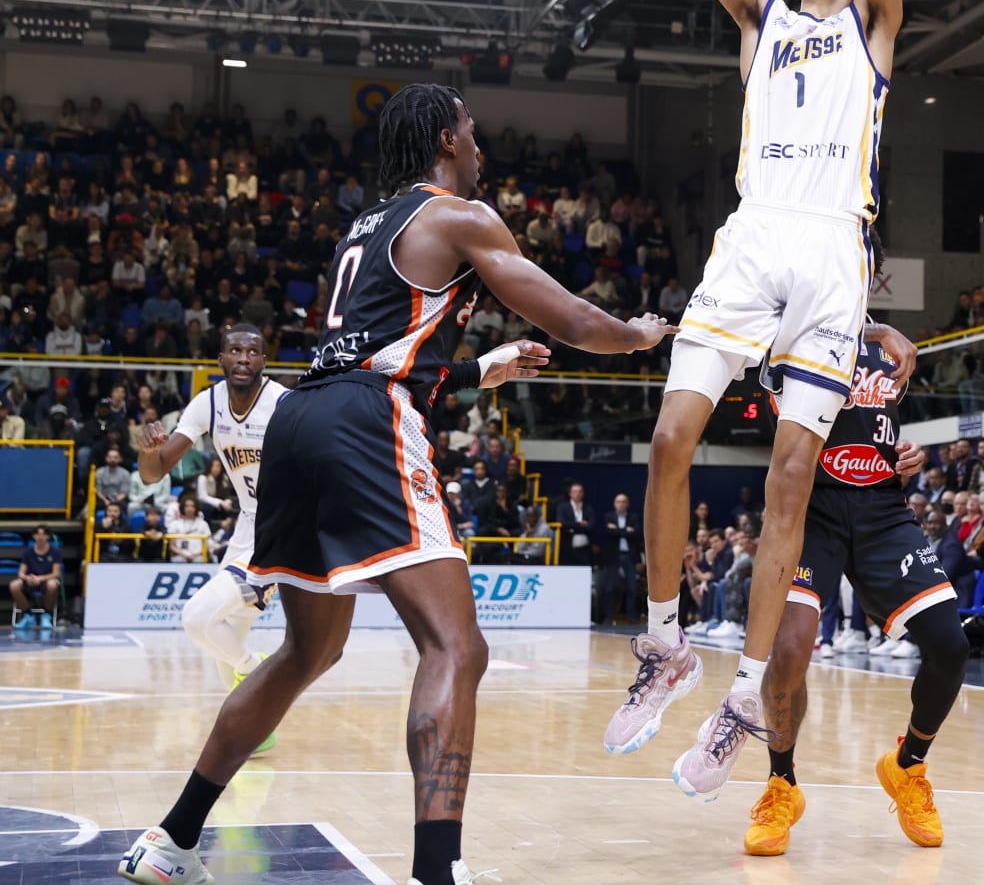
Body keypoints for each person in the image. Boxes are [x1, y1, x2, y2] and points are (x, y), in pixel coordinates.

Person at [118, 83, 673, 885]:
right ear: (446, 141)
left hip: (301, 420)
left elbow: (385, 351)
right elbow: (573, 321)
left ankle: (171, 841)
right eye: (473, 134)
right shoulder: (458, 215)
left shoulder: (367, 225)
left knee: (306, 652)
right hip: (364, 423)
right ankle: (437, 872)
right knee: (456, 645)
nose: (481, 149)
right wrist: (638, 335)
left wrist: (487, 367)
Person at [603, 0, 912, 798]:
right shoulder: (762, 19)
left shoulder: (873, 27)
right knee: (671, 438)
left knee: (790, 475)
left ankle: (742, 694)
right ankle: (664, 643)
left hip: (833, 254)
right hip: (750, 238)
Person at [745, 320, 967, 854]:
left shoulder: (891, 352)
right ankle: (781, 783)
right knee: (791, 650)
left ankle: (907, 766)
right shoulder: (791, 338)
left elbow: (880, 433)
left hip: (883, 510)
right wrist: (882, 326)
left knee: (951, 647)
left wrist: (908, 455)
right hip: (809, 509)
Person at [136, 325, 289, 750]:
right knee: (227, 635)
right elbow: (154, 473)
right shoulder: (207, 403)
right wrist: (146, 450)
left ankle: (255, 667)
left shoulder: (282, 402)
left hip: (280, 531)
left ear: (264, 360)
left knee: (197, 618)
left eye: (252, 351)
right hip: (247, 527)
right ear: (220, 359)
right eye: (235, 350)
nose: (243, 357)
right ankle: (258, 732)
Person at [596, 492, 643, 625]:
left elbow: (636, 534)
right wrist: (626, 531)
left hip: (629, 556)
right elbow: (609, 533)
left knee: (632, 587)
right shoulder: (608, 516)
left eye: (623, 502)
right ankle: (608, 617)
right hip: (613, 556)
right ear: (614, 504)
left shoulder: (633, 517)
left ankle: (631, 617)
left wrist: (618, 530)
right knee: (609, 587)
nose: (621, 504)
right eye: (618, 501)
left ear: (627, 504)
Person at [8, 525, 60, 626]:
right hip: (30, 581)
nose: (40, 537)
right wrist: (27, 578)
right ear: (33, 536)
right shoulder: (28, 552)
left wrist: (40, 579)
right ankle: (27, 614)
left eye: (43, 534)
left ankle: (47, 615)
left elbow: (56, 573)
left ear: (48, 537)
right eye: (37, 534)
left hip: (46, 580)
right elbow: (21, 573)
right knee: (14, 585)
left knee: (52, 585)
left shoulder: (55, 552)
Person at [556, 482, 597, 567]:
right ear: (570, 494)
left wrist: (572, 528)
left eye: (580, 492)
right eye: (575, 492)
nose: (577, 494)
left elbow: (591, 525)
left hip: (584, 548)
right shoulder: (563, 507)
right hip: (567, 548)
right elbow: (562, 523)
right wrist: (579, 524)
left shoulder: (588, 508)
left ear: (583, 493)